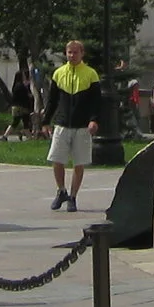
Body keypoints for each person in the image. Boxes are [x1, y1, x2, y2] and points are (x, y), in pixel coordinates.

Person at [46, 39, 101, 212]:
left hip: (82, 125)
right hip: (62, 124)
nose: (72, 55)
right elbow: (52, 100)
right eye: (69, 52)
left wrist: (94, 119)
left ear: (82, 53)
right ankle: (61, 191)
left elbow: (96, 101)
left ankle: (73, 196)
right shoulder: (58, 73)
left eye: (75, 52)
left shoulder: (91, 74)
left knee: (79, 162)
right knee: (57, 159)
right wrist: (46, 121)